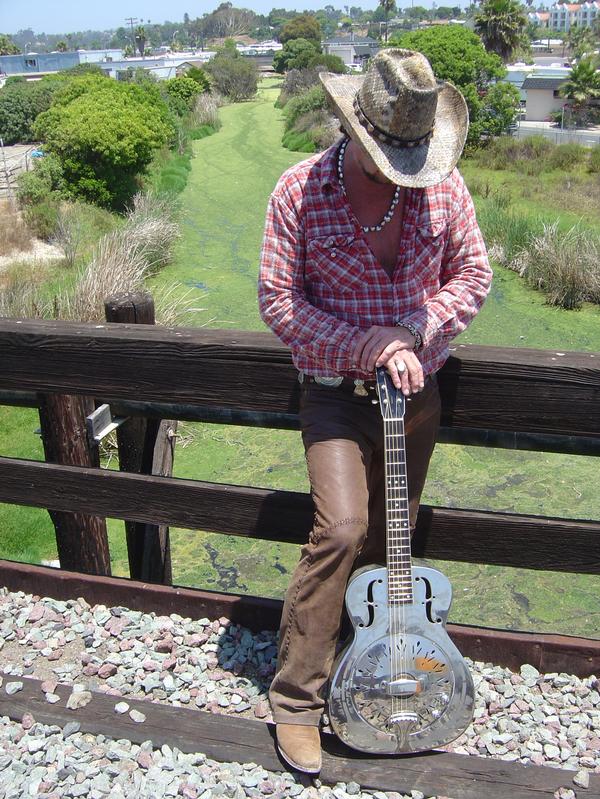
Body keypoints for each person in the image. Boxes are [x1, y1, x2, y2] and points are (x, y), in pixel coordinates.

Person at [258, 49, 492, 773]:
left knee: (391, 542)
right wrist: (364, 342)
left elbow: (473, 274)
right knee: (342, 529)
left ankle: (363, 668)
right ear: (353, 130)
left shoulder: (444, 188)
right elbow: (278, 301)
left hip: (416, 398)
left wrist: (414, 331)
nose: (405, 172)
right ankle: (296, 699)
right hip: (336, 394)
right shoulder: (299, 191)